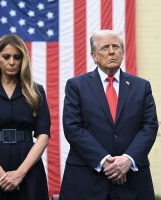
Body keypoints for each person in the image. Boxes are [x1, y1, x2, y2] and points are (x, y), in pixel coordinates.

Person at [59, 30, 158, 200]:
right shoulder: (76, 86)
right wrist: (105, 161)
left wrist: (128, 160)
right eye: (105, 47)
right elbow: (73, 127)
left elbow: (149, 126)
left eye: (116, 46)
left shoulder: (141, 87)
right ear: (94, 56)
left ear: (123, 52)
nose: (112, 51)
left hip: (132, 180)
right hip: (87, 179)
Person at [0, 34, 51, 200]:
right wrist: (1, 175)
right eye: (6, 57)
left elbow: (43, 136)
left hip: (27, 166)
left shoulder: (36, 91)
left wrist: (19, 174)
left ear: (24, 60)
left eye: (17, 57)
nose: (11, 62)